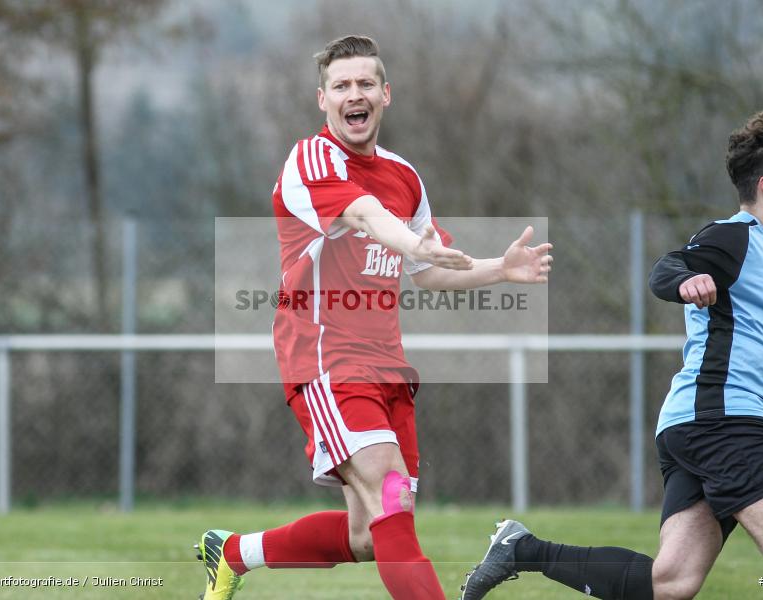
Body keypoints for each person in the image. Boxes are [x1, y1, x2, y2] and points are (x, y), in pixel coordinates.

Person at [195, 35, 553, 600]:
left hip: (388, 368)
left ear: (386, 94)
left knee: (368, 536)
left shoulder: (405, 176)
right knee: (392, 497)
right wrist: (413, 242)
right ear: (323, 99)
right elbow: (364, 214)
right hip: (324, 361)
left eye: (365, 84)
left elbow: (429, 270)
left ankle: (234, 552)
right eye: (341, 86)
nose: (353, 95)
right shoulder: (312, 158)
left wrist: (499, 271)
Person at [459, 107, 763, 600]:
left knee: (671, 581)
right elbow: (665, 268)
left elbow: (751, 353)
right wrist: (685, 281)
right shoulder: (732, 237)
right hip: (725, 423)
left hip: (703, 422)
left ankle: (523, 549)